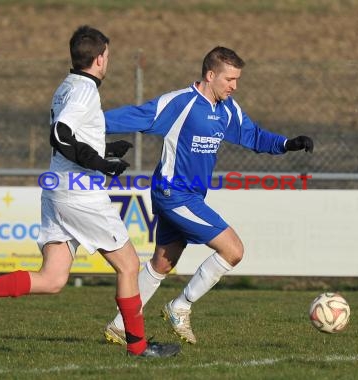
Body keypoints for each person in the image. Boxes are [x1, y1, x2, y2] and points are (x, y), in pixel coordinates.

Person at [0, 25, 181, 358]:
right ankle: (139, 347)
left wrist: (105, 149)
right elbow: (61, 133)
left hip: (58, 189)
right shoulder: (85, 90)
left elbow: (73, 134)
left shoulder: (67, 86)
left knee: (53, 278)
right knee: (129, 266)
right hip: (79, 193)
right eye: (108, 56)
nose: (107, 61)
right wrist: (99, 164)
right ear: (99, 59)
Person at [102, 46, 313, 345]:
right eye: (229, 79)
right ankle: (180, 307)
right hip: (174, 194)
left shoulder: (227, 109)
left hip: (191, 196)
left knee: (163, 262)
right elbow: (139, 116)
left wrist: (287, 144)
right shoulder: (181, 103)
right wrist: (88, 123)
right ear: (210, 75)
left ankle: (120, 325)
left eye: (237, 80)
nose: (234, 86)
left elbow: (252, 135)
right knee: (233, 250)